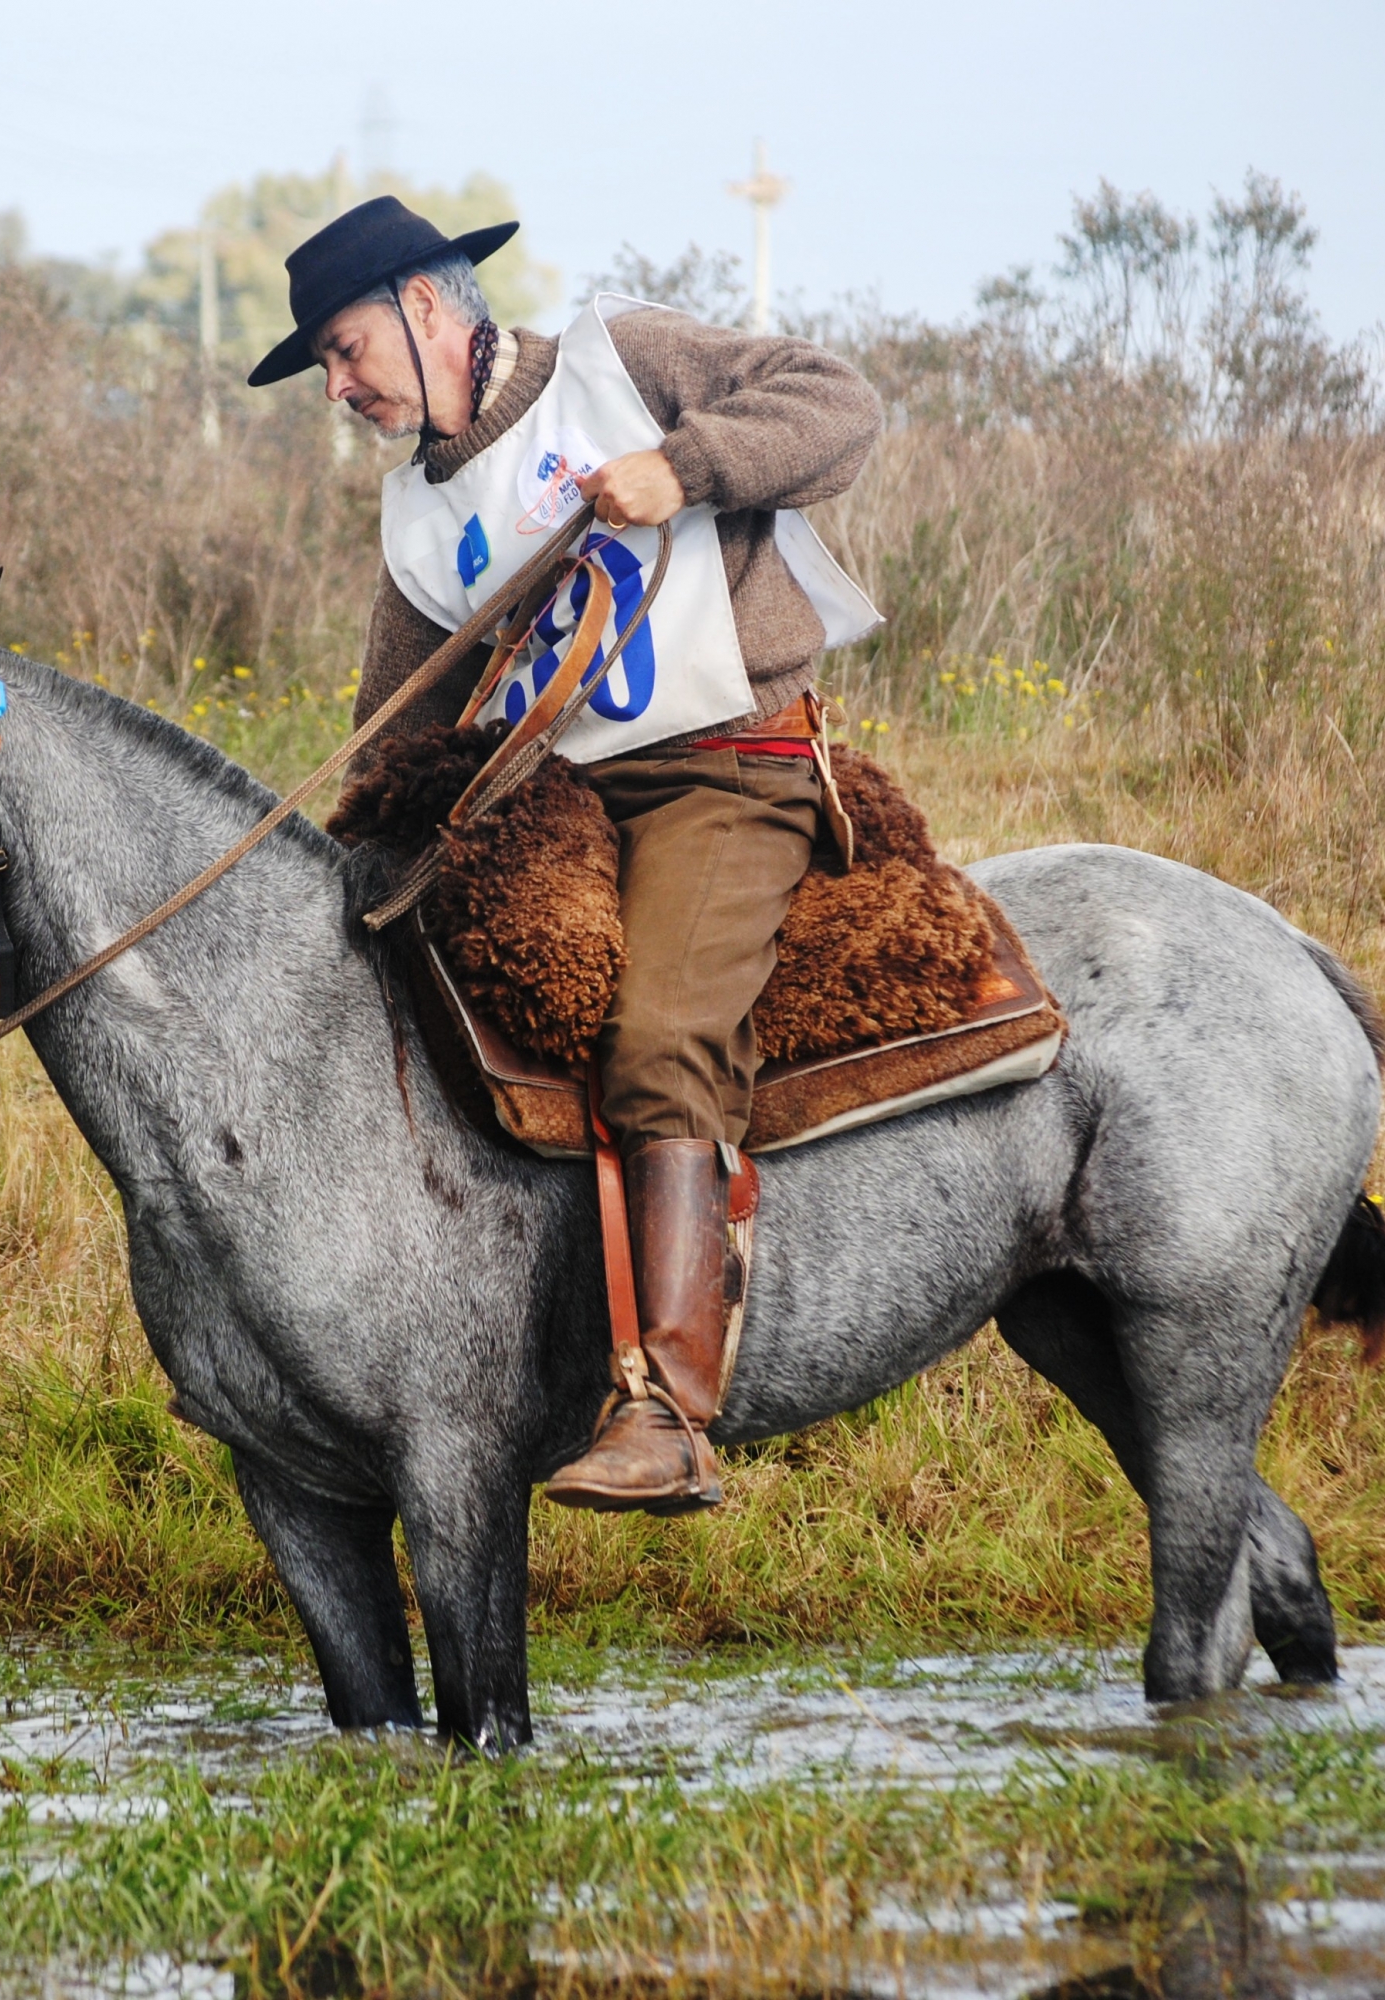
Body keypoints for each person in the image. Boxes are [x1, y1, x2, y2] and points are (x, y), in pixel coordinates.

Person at [249, 197, 883, 1514]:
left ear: (429, 306)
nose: (339, 387)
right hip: (563, 804)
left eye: (345, 350)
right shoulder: (418, 518)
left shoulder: (616, 361)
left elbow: (840, 405)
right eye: (324, 366)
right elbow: (397, 733)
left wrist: (688, 467)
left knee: (656, 1036)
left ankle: (669, 1411)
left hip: (729, 764)